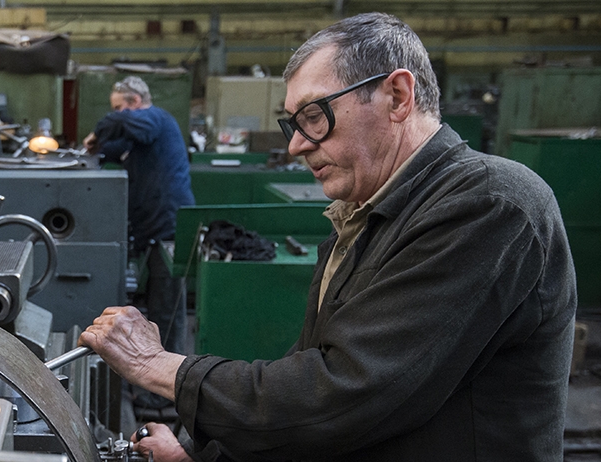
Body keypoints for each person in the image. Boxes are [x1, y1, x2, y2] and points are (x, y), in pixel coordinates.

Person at [79, 12, 577, 462]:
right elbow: (308, 382)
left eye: (314, 117)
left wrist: (158, 364)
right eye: (293, 124)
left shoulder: (490, 205)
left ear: (397, 97)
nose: (297, 145)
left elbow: (343, 396)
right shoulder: (365, 215)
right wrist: (199, 454)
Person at [83, 76, 195, 408]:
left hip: (168, 228)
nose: (117, 113)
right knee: (158, 305)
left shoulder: (155, 119)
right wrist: (99, 148)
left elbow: (124, 126)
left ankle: (167, 394)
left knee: (167, 310)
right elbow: (120, 147)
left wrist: (102, 129)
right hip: (152, 229)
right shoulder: (141, 133)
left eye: (120, 107)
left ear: (134, 102)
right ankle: (156, 384)